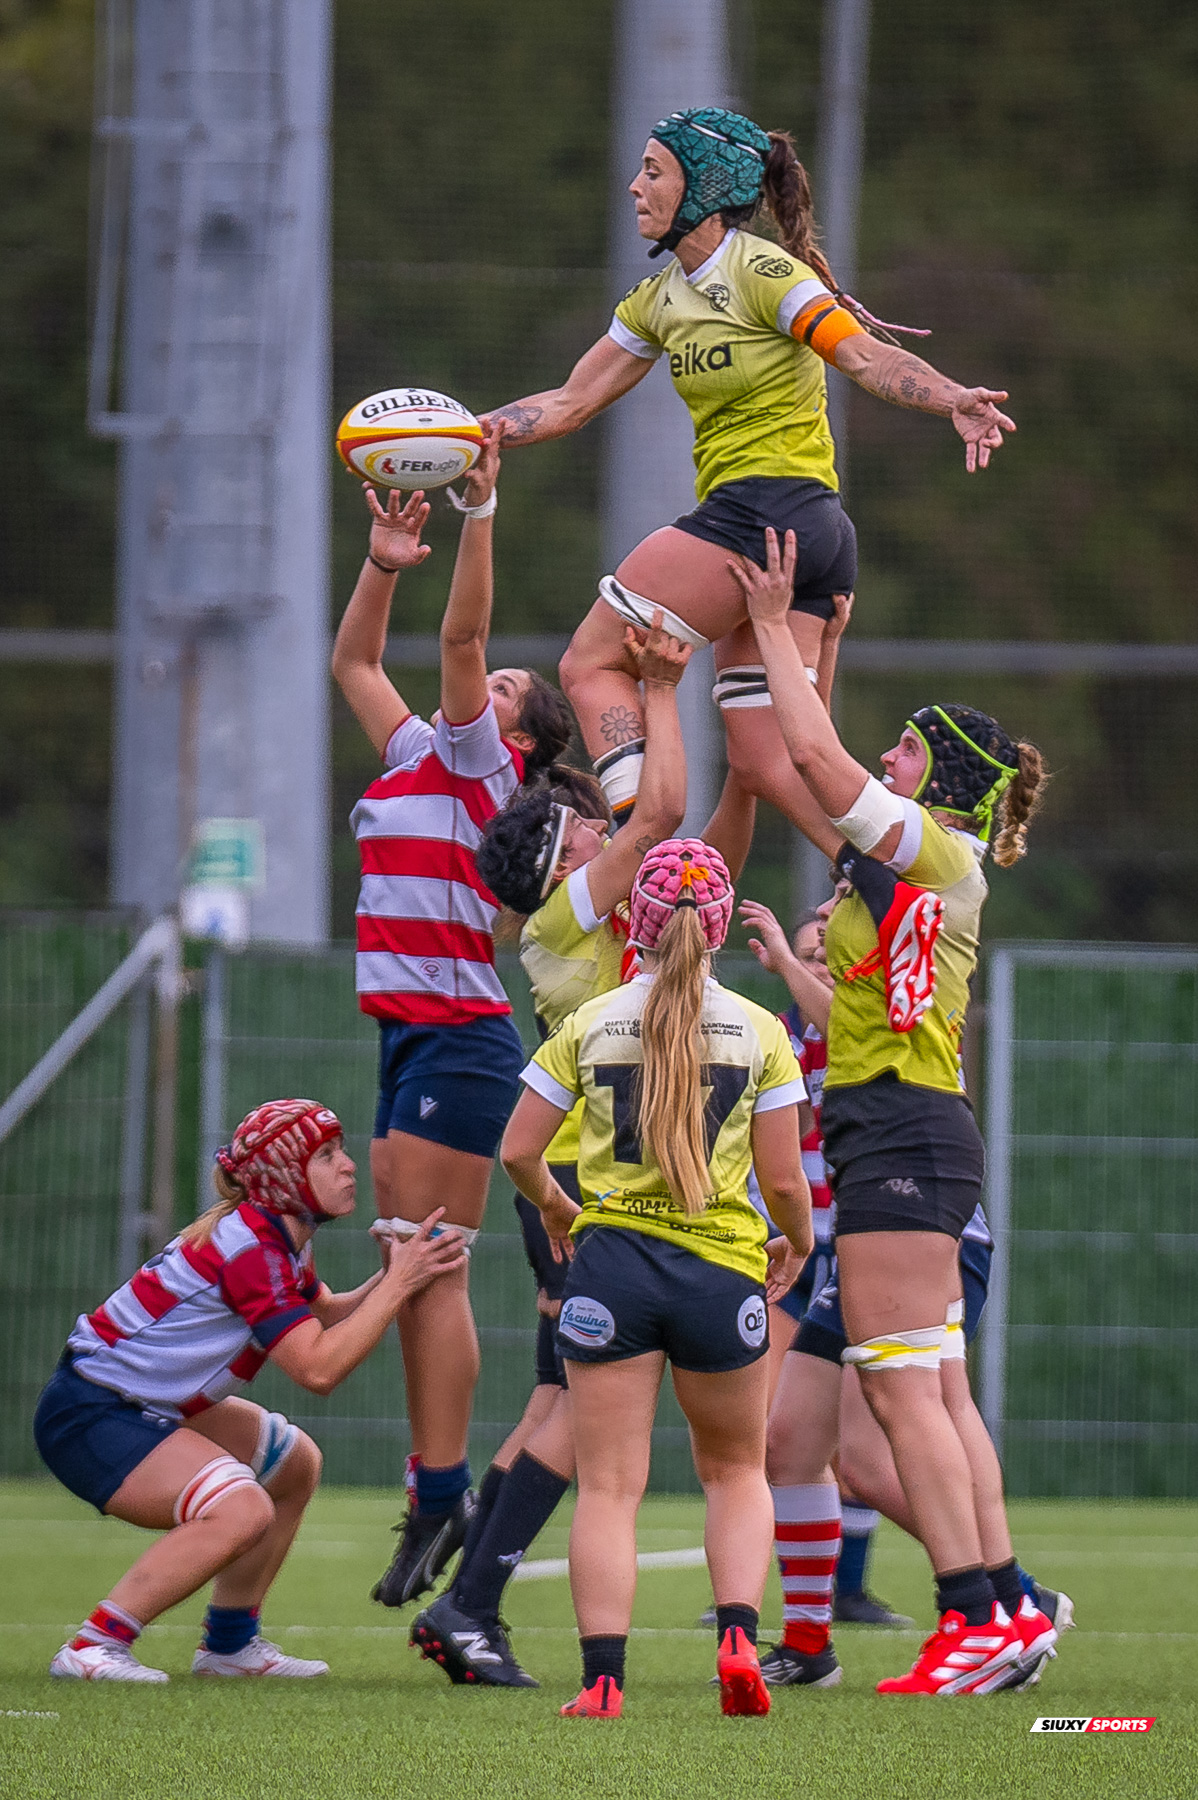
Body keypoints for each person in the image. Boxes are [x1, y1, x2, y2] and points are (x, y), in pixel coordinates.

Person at [482, 106, 1014, 838]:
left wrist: (953, 396)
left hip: (761, 517)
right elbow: (571, 401)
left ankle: (639, 846)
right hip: (815, 537)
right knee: (768, 761)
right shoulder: (656, 300)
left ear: (702, 187)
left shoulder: (764, 273)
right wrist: (480, 432)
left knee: (590, 663)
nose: (634, 187)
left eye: (653, 171)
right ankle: (890, 875)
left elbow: (864, 356)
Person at [732, 526, 1056, 1696]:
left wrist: (777, 625)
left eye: (905, 748)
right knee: (934, 1386)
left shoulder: (935, 853)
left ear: (941, 774)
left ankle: (973, 1615)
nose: (886, 756)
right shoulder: (914, 855)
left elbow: (812, 763)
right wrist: (806, 646)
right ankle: (1004, 1609)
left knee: (899, 1385)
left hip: (901, 1129)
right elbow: (799, 768)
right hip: (907, 1126)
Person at [409, 614, 691, 1687]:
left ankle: (468, 1601)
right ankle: (473, 1604)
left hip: (575, 1176)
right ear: (560, 858)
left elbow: (679, 840)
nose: (594, 829)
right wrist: (659, 690)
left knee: (555, 1403)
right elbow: (657, 810)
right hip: (581, 1182)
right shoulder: (567, 910)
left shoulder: (576, 907)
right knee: (585, 1406)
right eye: (578, 829)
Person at [331, 423, 574, 1610]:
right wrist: (381, 559)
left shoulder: (484, 765)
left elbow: (462, 636)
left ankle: (443, 1491)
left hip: (459, 1038)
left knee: (431, 1267)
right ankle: (439, 1491)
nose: (487, 682)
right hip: (405, 1031)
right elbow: (353, 668)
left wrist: (480, 511)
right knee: (412, 1265)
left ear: (517, 734)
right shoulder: (417, 752)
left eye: (507, 691)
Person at [501, 840, 814, 1719]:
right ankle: (739, 1640)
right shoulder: (760, 1030)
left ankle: (603, 1683)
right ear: (717, 928)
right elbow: (786, 1182)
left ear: (630, 922)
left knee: (608, 1487)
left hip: (612, 1275)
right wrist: (793, 1243)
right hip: (721, 1273)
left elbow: (518, 1152)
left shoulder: (591, 1021)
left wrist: (561, 1211)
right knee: (735, 1470)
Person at [33, 1100, 463, 1682]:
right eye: (327, 1155)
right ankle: (93, 1645)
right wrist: (397, 1286)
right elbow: (316, 1370)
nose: (349, 1166)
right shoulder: (252, 1248)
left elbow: (325, 1315)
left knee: (293, 1464)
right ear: (285, 1174)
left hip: (136, 1402)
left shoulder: (275, 1235)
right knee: (241, 1509)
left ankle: (229, 1647)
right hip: (94, 1412)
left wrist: (395, 1274)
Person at [741, 900, 913, 1639]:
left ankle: (990, 1587)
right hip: (791, 1252)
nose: (818, 965)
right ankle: (764, 1606)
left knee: (864, 1444)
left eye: (828, 956)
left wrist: (787, 961)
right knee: (774, 1435)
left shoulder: (873, 1023)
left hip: (864, 1245)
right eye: (810, 956)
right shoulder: (776, 1037)